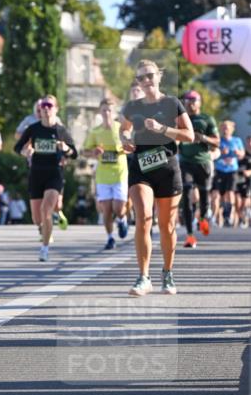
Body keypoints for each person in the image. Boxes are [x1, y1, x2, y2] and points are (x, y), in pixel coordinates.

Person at [120, 60, 194, 296]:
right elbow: (123, 129)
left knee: (167, 225)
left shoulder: (172, 103)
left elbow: (189, 135)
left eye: (150, 76)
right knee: (143, 217)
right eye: (141, 78)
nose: (146, 81)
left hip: (168, 168)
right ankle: (143, 277)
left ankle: (167, 272)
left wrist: (163, 129)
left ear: (158, 76)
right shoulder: (132, 106)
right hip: (141, 167)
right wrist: (125, 139)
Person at [13, 95, 77, 262]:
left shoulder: (61, 130)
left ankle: (45, 248)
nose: (46, 108)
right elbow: (17, 146)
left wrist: (66, 149)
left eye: (49, 105)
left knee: (46, 210)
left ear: (56, 109)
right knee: (37, 218)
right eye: (43, 106)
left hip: (54, 174)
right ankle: (43, 229)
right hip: (36, 174)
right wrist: (25, 152)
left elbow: (74, 153)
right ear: (39, 110)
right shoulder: (33, 129)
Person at [82, 98, 128, 250]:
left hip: (120, 173)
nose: (107, 113)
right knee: (106, 210)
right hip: (103, 176)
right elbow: (85, 151)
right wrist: (94, 152)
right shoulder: (95, 132)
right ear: (100, 112)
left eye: (109, 110)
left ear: (114, 112)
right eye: (104, 110)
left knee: (118, 208)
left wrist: (124, 148)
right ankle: (110, 238)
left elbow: (131, 146)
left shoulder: (121, 128)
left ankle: (122, 220)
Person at [178, 90, 219, 247]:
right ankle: (189, 235)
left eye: (194, 100)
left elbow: (217, 142)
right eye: (188, 100)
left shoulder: (207, 119)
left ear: (199, 102)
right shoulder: (180, 119)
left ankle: (202, 218)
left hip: (203, 162)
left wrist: (203, 138)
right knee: (187, 197)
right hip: (185, 162)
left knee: (204, 197)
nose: (191, 103)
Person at [212, 120, 245, 227]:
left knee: (230, 193)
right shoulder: (218, 141)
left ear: (232, 129)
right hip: (220, 170)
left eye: (227, 127)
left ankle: (227, 215)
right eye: (224, 127)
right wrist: (221, 153)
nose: (225, 129)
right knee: (218, 195)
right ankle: (217, 216)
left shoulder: (237, 140)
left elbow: (242, 154)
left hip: (232, 171)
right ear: (221, 129)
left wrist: (238, 153)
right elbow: (213, 154)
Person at [235, 134, 251, 228]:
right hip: (239, 180)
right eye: (248, 141)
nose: (250, 143)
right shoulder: (242, 153)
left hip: (249, 181)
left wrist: (249, 172)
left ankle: (246, 216)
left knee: (245, 202)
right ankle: (242, 219)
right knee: (237, 202)